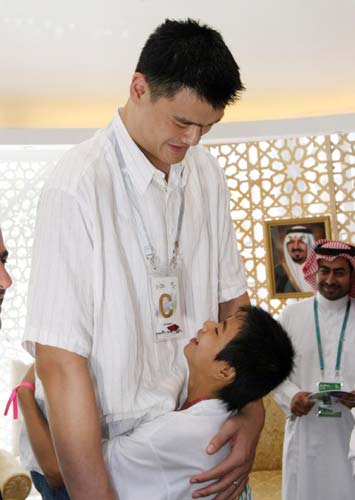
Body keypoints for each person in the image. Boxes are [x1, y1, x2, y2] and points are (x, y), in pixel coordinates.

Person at [22, 19, 264, 500]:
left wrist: (251, 411)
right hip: (97, 461)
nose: (193, 140)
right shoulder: (78, 185)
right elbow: (59, 362)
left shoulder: (204, 174)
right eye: (182, 122)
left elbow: (233, 306)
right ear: (139, 88)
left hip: (182, 439)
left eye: (207, 127)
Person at [15, 306, 294, 500]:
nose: (207, 325)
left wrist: (25, 393)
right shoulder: (220, 419)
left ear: (226, 371)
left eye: (218, 330)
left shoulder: (183, 433)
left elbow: (58, 469)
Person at [273, 239, 355, 500]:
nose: (330, 279)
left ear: (352, 274)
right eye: (324, 271)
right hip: (305, 432)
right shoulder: (291, 315)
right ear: (314, 272)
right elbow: (273, 371)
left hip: (351, 432)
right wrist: (291, 396)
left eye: (339, 272)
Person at [274, 226, 315, 293]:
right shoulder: (278, 273)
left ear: (310, 244)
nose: (296, 246)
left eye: (301, 241)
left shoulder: (320, 271)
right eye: (291, 242)